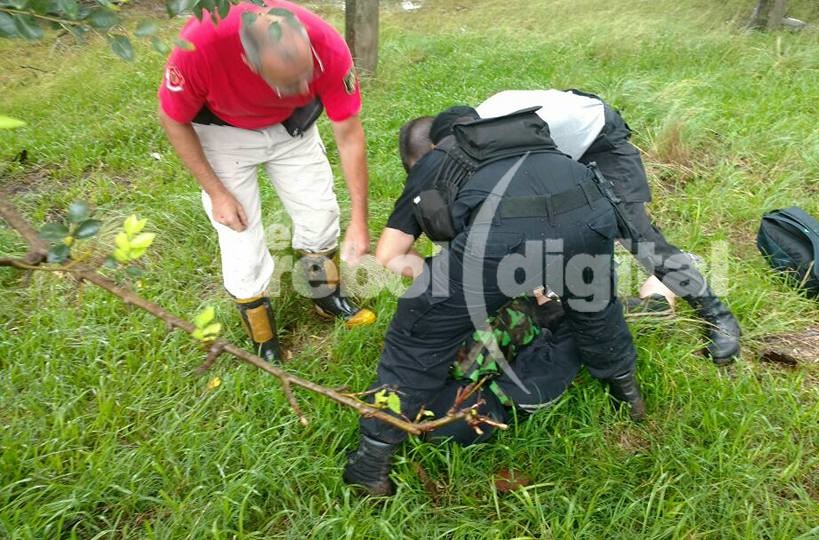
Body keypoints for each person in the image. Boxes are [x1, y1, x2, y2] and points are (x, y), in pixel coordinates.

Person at [343, 109, 646, 496]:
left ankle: (371, 462)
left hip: (500, 241)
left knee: (416, 337)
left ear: (435, 145)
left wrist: (440, 279)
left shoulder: (436, 160)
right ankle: (627, 394)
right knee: (596, 311)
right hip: (590, 211)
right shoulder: (536, 144)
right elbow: (545, 218)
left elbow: (390, 255)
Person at [426, 90, 741, 365]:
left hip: (598, 137)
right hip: (556, 151)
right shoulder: (480, 139)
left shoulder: (502, 126)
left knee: (633, 231)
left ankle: (717, 316)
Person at [157, 0, 376, 362]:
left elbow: (350, 135)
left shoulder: (328, 46)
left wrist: (360, 221)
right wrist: (217, 193)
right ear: (248, 62)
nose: (305, 85)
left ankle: (326, 298)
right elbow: (172, 119)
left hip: (294, 127)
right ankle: (264, 337)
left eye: (307, 74)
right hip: (223, 133)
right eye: (289, 82)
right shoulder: (198, 48)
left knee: (321, 214)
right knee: (239, 235)